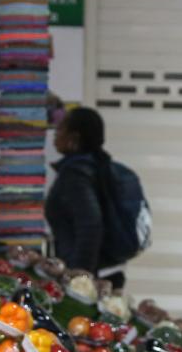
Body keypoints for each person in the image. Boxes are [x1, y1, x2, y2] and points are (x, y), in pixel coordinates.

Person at [45, 107, 125, 289]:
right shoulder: (94, 166)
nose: (55, 133)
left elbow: (90, 226)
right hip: (100, 269)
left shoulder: (77, 175)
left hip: (86, 274)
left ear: (75, 137)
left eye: (61, 128)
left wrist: (79, 279)